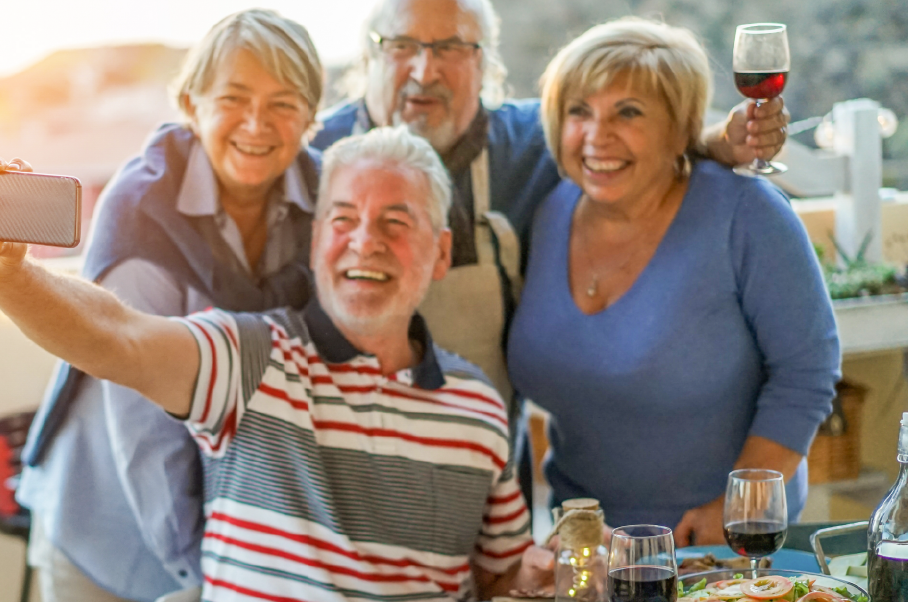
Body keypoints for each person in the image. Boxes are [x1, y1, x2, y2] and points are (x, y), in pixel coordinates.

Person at [0, 126, 551, 602]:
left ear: (441, 253)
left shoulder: (477, 405)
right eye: (343, 219)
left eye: (396, 222)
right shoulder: (250, 355)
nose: (365, 242)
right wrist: (10, 278)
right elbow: (118, 335)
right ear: (317, 243)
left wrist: (540, 575)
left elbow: (499, 577)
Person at [310, 0, 791, 496]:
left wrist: (714, 144)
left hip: (486, 488)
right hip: (334, 481)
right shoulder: (312, 156)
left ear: (485, 66)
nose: (423, 69)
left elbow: (628, 144)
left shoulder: (529, 147)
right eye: (402, 45)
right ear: (369, 57)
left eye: (451, 47)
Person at [11, 10, 324, 602]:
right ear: (191, 102)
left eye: (284, 103)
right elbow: (146, 436)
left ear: (313, 115)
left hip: (240, 530)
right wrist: (215, 581)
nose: (257, 124)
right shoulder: (140, 214)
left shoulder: (325, 198)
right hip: (112, 527)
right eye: (233, 98)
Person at [506, 18, 840, 543]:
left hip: (713, 540)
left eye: (629, 112)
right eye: (579, 111)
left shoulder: (746, 213)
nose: (597, 136)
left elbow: (807, 373)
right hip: (586, 545)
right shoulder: (550, 210)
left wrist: (737, 508)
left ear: (678, 127)